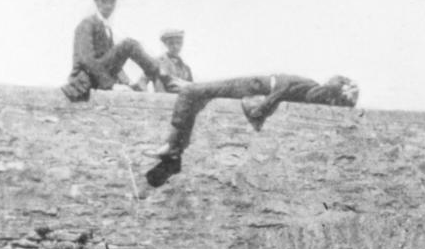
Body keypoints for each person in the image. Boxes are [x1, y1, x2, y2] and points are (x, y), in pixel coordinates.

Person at [143, 74, 360, 188]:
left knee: (191, 91)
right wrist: (262, 108)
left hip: (255, 86)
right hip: (256, 86)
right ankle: (173, 145)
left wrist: (261, 109)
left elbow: (284, 90)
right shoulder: (309, 86)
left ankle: (173, 146)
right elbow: (284, 88)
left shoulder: (310, 89)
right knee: (194, 91)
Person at [62, 0, 160, 101]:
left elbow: (113, 64)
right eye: (104, 1)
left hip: (98, 77)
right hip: (84, 79)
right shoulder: (87, 24)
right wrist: (111, 85)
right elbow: (87, 60)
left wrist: (127, 83)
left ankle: (158, 78)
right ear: (96, 1)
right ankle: (162, 76)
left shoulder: (106, 28)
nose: (108, 6)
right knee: (129, 45)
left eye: (112, 2)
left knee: (134, 48)